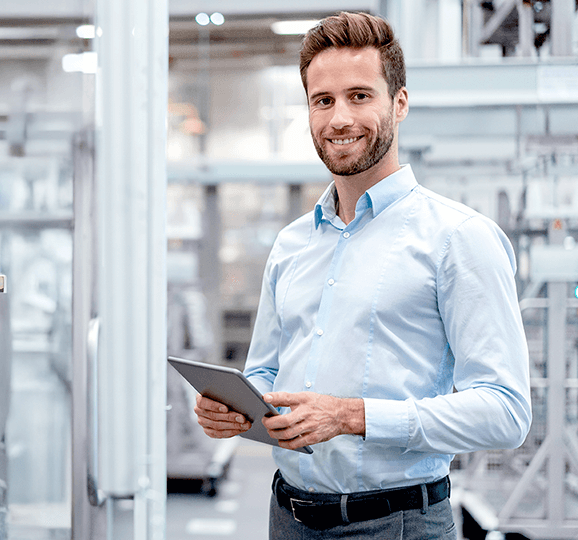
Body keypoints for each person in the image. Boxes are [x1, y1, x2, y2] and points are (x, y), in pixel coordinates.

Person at [193, 11, 532, 539]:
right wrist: (234, 408)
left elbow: (506, 412)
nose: (339, 119)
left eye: (359, 96)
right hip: (288, 518)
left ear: (399, 103)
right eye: (322, 101)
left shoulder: (459, 238)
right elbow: (264, 375)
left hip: (396, 523)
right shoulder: (291, 245)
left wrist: (353, 416)